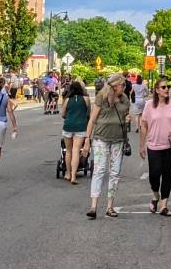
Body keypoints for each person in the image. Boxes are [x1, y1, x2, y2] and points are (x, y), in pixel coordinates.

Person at [84, 73, 131, 220]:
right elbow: (92, 119)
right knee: (99, 170)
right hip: (101, 138)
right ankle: (93, 206)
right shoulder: (102, 98)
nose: (124, 87)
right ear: (115, 85)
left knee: (115, 172)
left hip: (118, 139)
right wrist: (87, 139)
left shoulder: (124, 99)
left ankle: (110, 206)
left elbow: (126, 119)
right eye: (122, 85)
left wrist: (128, 120)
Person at [139, 79, 171, 216]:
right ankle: (155, 196)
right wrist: (141, 145)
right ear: (157, 90)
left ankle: (164, 205)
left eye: (168, 87)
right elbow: (144, 126)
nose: (167, 89)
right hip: (153, 145)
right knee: (154, 174)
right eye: (164, 87)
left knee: (167, 174)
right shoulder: (149, 105)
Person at [61, 80, 91, 185]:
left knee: (68, 151)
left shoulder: (67, 100)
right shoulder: (86, 99)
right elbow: (89, 114)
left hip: (68, 126)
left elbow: (63, 114)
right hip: (81, 127)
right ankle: (74, 176)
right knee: (76, 150)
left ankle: (68, 173)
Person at [130, 74, 147, 145]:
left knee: (137, 115)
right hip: (142, 99)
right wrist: (144, 95)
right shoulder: (144, 85)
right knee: (141, 114)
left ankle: (137, 127)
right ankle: (141, 125)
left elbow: (131, 93)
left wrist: (132, 98)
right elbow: (147, 93)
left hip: (136, 99)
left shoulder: (134, 85)